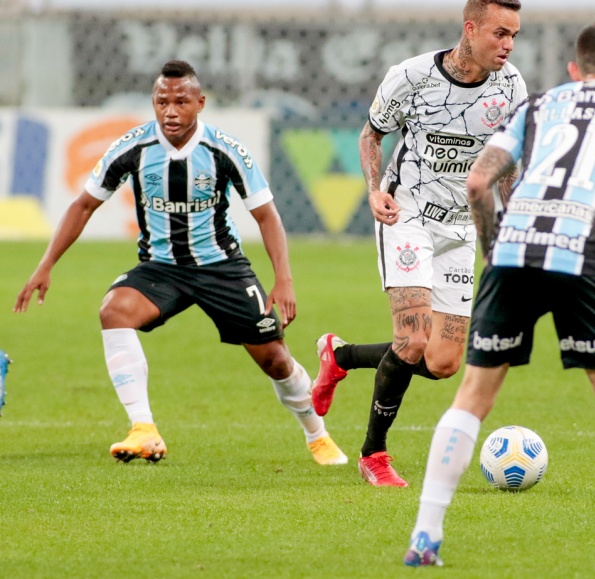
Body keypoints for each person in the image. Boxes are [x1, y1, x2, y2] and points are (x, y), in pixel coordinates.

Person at [402, 22, 595, 571]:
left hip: (515, 251)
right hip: (583, 256)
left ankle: (425, 536)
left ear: (574, 69)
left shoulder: (539, 106)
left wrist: (491, 246)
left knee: (472, 396)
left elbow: (478, 183)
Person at [14, 60, 347, 467]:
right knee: (114, 311)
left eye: (181, 101)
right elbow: (83, 205)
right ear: (153, 103)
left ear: (200, 103)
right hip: (161, 268)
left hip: (222, 267)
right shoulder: (132, 148)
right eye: (162, 101)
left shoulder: (224, 150)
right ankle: (143, 429)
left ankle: (318, 436)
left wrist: (284, 280)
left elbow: (267, 216)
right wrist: (45, 264)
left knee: (275, 359)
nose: (171, 111)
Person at [312, 0, 528, 487]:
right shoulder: (411, 77)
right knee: (412, 340)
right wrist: (372, 190)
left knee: (443, 361)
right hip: (405, 213)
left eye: (514, 36)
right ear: (470, 29)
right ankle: (374, 455)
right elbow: (371, 134)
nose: (508, 46)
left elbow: (506, 164)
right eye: (500, 33)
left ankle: (339, 356)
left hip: (461, 224)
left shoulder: (511, 87)